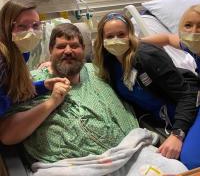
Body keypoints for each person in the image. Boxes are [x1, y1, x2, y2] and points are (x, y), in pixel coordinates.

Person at [0, 23, 187, 175]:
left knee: (176, 169)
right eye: (61, 46)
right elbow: (7, 135)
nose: (68, 51)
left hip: (128, 152)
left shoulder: (99, 71)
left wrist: (169, 40)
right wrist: (52, 102)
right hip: (69, 166)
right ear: (50, 50)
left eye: (74, 46)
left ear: (84, 50)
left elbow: (124, 48)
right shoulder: (29, 81)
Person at [92, 12, 200, 169]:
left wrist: (178, 134)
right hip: (163, 120)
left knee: (191, 162)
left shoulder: (147, 56)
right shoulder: (108, 63)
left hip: (191, 106)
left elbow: (187, 95)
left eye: (121, 34)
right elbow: (81, 59)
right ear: (102, 41)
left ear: (130, 34)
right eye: (110, 36)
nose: (116, 40)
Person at [0, 0, 66, 117]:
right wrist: (51, 102)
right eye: (22, 26)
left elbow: (12, 91)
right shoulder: (2, 61)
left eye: (36, 25)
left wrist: (44, 85)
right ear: (6, 26)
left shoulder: (21, 51)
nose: (31, 32)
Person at [142, 4, 200, 74]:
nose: (193, 32)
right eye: (188, 25)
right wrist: (137, 42)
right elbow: (168, 38)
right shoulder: (190, 46)